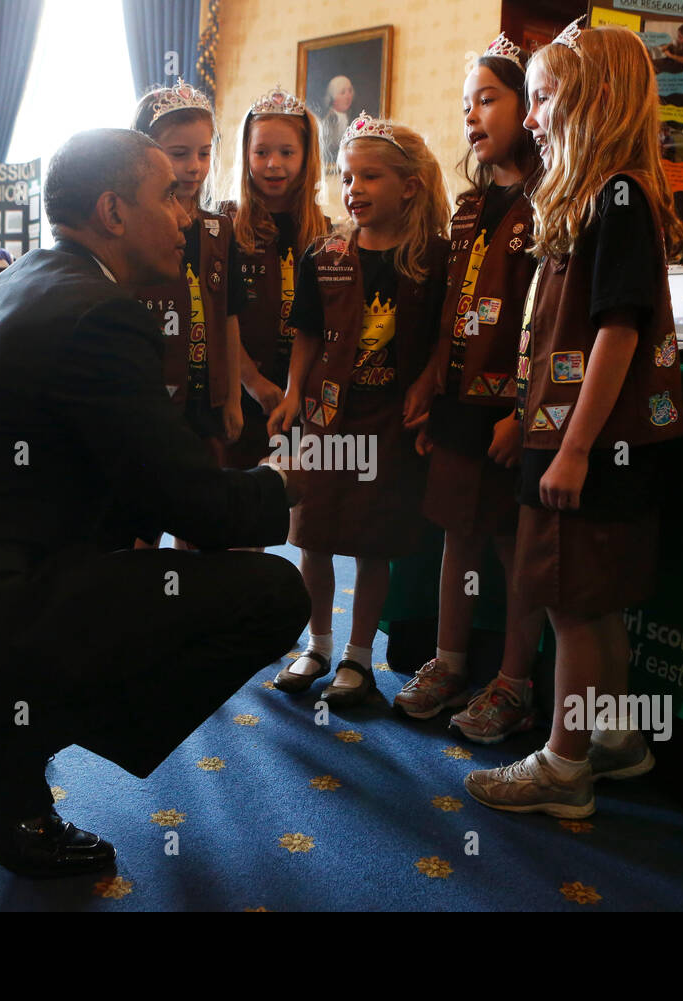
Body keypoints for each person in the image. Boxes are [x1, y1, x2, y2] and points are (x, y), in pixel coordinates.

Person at [0, 128, 311, 877]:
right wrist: (282, 483)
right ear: (112, 210)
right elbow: (197, 506)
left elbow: (89, 468)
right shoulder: (101, 314)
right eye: (168, 194)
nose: (184, 215)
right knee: (272, 594)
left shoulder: (19, 283)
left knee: (136, 566)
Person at [464, 23, 683, 816]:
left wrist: (576, 449)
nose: (531, 118)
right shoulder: (596, 195)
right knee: (593, 597)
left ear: (591, 101)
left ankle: (564, 765)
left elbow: (617, 330)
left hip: (587, 443)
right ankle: (617, 737)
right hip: (575, 437)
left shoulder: (617, 193)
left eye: (545, 98)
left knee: (569, 601)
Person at [266, 114, 450, 708]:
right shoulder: (327, 253)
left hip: (388, 420)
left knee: (374, 541)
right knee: (312, 534)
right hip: (325, 415)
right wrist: (293, 394)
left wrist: (429, 382)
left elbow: (448, 335)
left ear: (410, 186)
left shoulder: (432, 257)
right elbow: (307, 333)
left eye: (370, 176)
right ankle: (317, 643)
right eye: (347, 178)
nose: (355, 189)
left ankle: (359, 656)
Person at [393, 34, 542, 743]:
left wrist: (522, 410)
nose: (474, 117)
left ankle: (514, 680)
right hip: (456, 401)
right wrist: (428, 380)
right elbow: (453, 303)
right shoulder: (466, 208)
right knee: (458, 535)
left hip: (513, 410)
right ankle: (450, 660)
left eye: (489, 99)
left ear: (530, 105)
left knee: (516, 546)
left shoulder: (549, 204)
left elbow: (549, 324)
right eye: (466, 106)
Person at [131, 80, 243, 477]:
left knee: (201, 516)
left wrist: (232, 399)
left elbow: (229, 317)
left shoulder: (220, 230)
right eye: (179, 154)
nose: (194, 166)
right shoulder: (133, 235)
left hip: (206, 399)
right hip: (152, 398)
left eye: (204, 152)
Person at [222, 84, 330, 470]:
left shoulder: (324, 233)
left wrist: (292, 389)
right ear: (246, 153)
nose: (273, 164)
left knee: (282, 506)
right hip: (234, 393)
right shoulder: (224, 227)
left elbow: (316, 321)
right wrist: (251, 381)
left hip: (297, 398)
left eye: (287, 153)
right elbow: (220, 312)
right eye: (261, 152)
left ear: (306, 156)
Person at [318, 75, 354, 168]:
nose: (348, 96)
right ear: (333, 98)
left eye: (350, 91)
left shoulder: (352, 118)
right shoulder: (329, 120)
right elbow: (328, 148)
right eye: (342, 93)